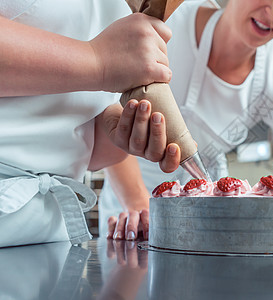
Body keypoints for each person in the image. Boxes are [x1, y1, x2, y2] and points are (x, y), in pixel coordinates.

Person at [100, 0, 273, 240]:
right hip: (131, 209)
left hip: (206, 219)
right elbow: (107, 112)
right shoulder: (166, 21)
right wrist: (140, 205)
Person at [0, 0, 181, 247]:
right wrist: (97, 61)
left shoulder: (122, 8)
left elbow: (73, 146)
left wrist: (113, 130)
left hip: (48, 235)